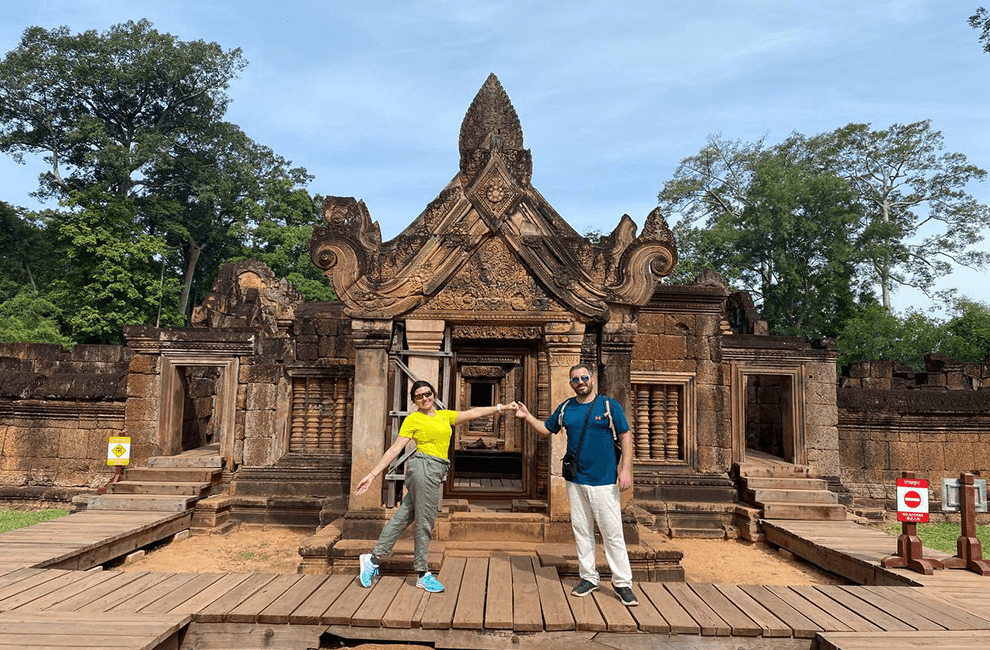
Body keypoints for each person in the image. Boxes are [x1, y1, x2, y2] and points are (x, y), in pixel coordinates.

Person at [354, 379, 516, 592]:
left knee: (404, 515)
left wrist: (502, 407)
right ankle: (422, 573)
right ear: (414, 400)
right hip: (424, 468)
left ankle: (373, 559)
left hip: (434, 470)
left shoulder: (444, 415)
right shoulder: (413, 419)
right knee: (425, 522)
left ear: (434, 394)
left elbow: (474, 413)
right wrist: (373, 474)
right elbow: (395, 449)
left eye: (427, 393)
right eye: (419, 396)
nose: (425, 398)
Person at [514, 364, 638, 606]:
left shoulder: (608, 406)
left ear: (592, 379)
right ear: (570, 383)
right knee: (581, 530)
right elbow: (545, 430)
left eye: (583, 377)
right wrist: (527, 416)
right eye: (575, 379)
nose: (580, 382)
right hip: (575, 479)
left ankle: (622, 582)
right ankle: (589, 577)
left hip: (603, 481)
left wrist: (625, 469)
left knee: (611, 532)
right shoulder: (566, 408)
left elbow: (626, 436)